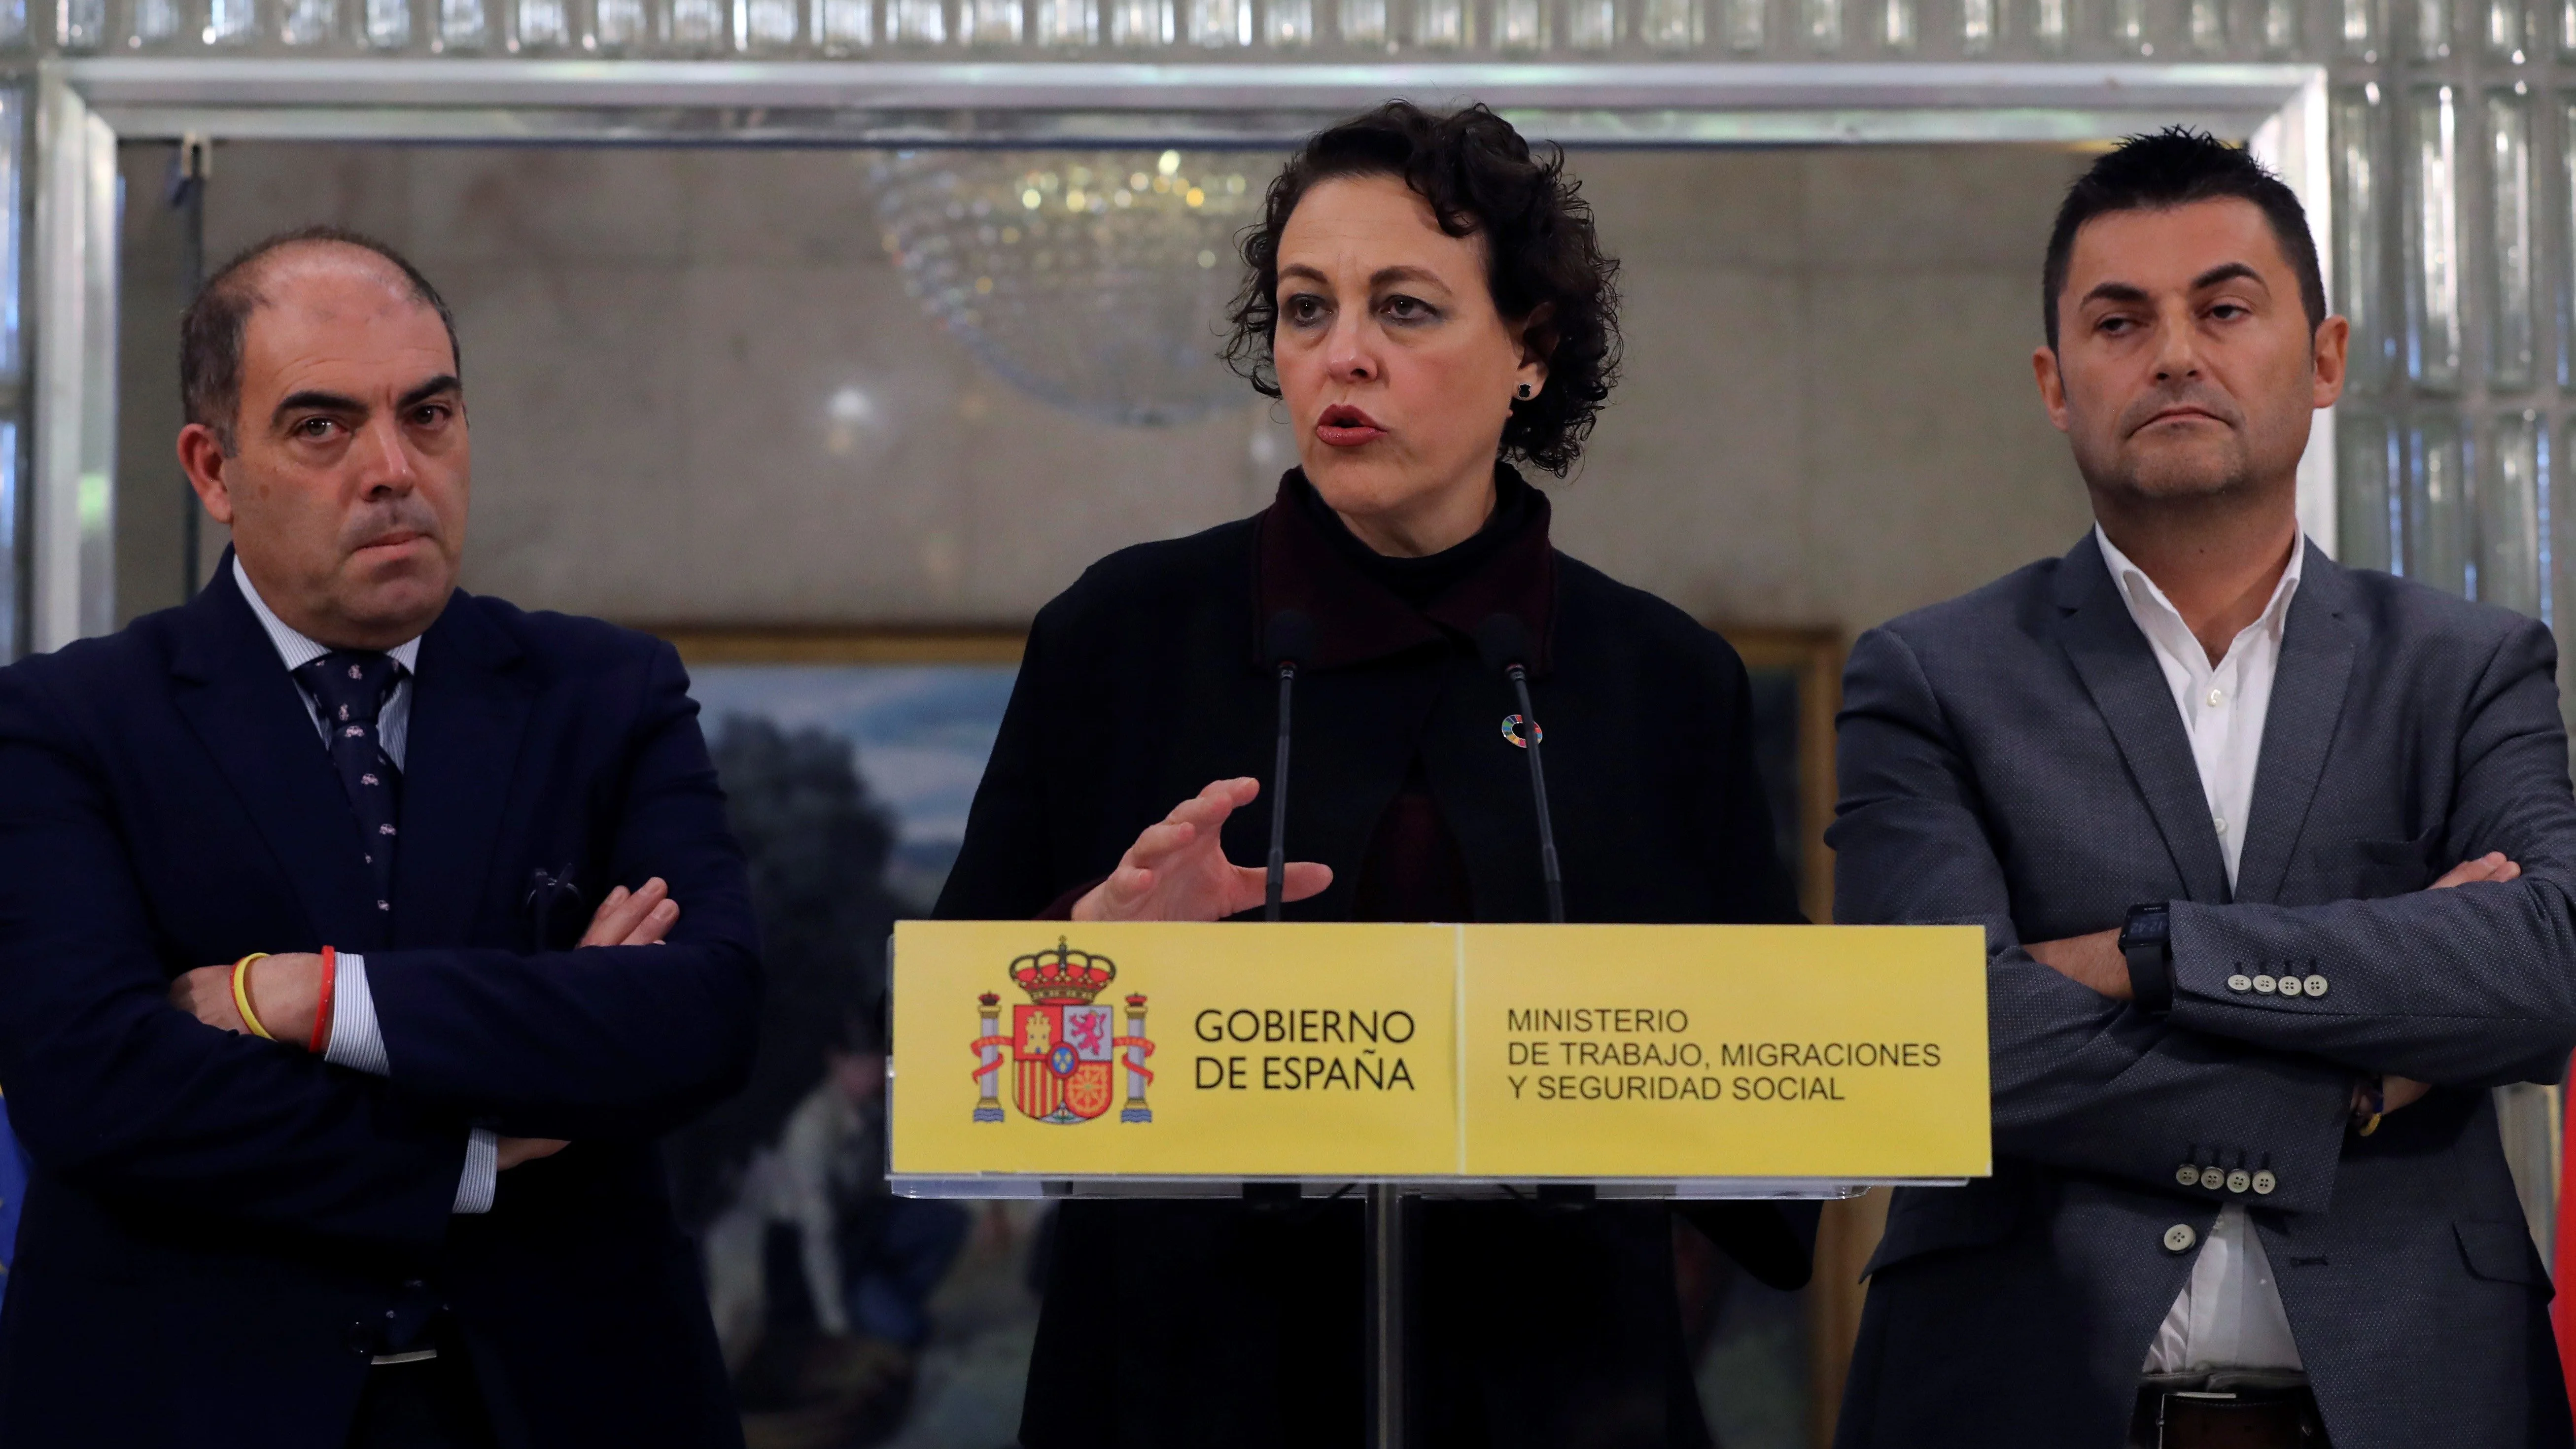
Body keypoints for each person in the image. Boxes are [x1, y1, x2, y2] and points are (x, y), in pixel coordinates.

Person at [936, 101, 1813, 1448]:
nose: (1340, 355)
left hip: (1563, 1398)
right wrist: (1082, 958)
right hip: (1183, 1392)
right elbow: (942, 1062)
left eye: (1402, 309)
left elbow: (1778, 1126)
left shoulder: (1660, 677)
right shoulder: (1121, 635)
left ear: (1531, 349)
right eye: (1304, 309)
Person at [1828, 129, 2576, 1449]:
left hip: (2418, 1397)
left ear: (2324, 357)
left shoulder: (2467, 666)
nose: (2174, 351)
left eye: (2223, 308)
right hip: (2017, 1396)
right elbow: (1936, 1036)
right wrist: (2342, 1085)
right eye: (2121, 321)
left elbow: (2539, 969)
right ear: (2055, 384)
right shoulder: (1932, 675)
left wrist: (2149, 954)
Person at [0, 227, 762, 1448]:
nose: (393, 468)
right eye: (322, 427)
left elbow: (706, 1013)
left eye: (430, 414)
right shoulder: (66, 722)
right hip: (193, 1401)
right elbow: (96, 1083)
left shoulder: (604, 694)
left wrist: (318, 1004)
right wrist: (486, 1128)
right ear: (212, 468)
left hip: (574, 1395)